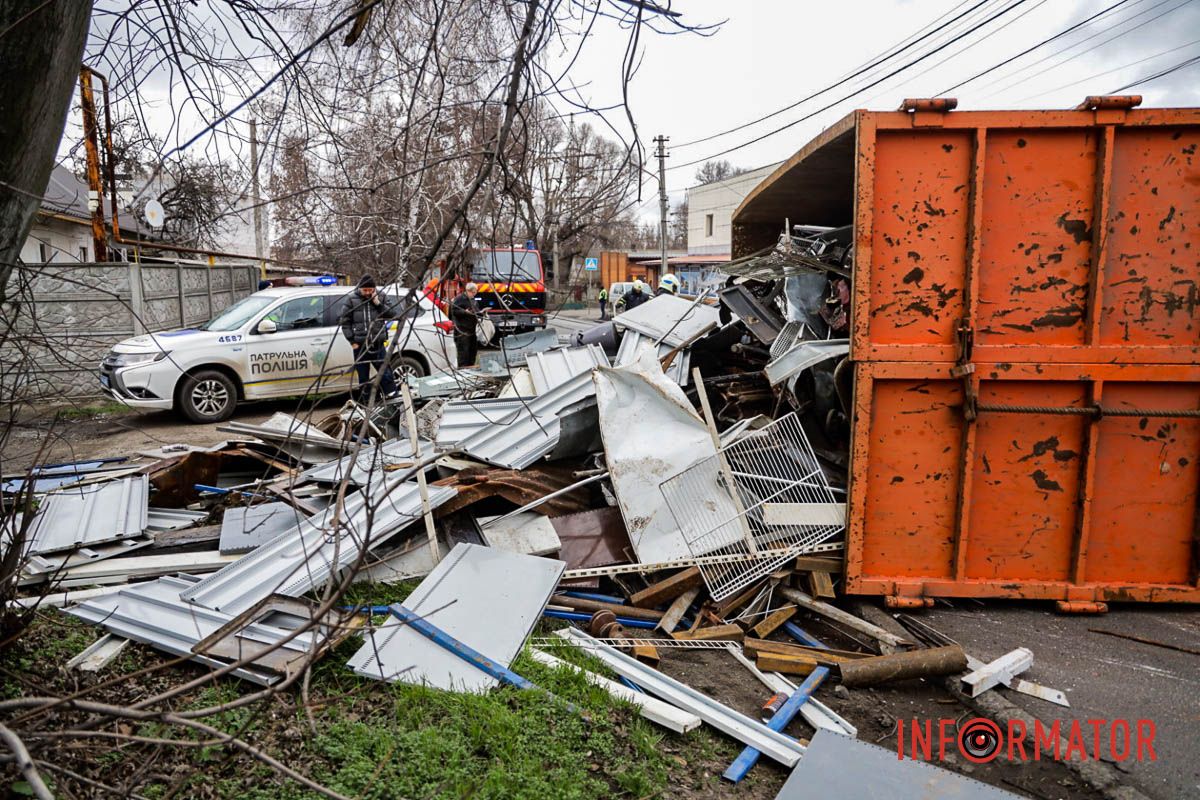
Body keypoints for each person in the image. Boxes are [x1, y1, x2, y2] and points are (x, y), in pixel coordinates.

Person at [338, 274, 400, 401]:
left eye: (370, 290)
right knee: (363, 377)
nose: (367, 293)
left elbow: (393, 314)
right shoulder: (351, 299)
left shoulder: (381, 296)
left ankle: (391, 396)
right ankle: (366, 402)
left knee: (385, 372)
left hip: (377, 343)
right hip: (360, 345)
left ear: (374, 289)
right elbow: (345, 322)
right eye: (365, 290)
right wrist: (352, 341)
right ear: (360, 288)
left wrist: (377, 303)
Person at [450, 282, 481, 367]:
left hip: (472, 329)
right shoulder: (459, 299)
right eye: (473, 292)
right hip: (462, 330)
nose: (474, 294)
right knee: (463, 352)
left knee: (472, 351)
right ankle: (463, 369)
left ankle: (471, 367)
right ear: (468, 291)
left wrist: (481, 313)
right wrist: (464, 312)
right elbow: (454, 311)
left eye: (475, 292)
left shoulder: (473, 300)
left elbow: (477, 310)